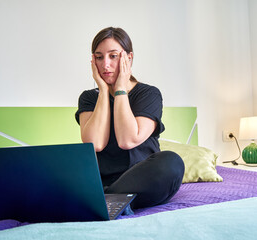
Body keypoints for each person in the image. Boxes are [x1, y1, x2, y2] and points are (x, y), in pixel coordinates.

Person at [75, 27, 184, 209]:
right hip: (99, 181)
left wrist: (120, 89)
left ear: (129, 58)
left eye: (113, 56)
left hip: (142, 180)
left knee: (171, 162)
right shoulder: (88, 98)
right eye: (99, 57)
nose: (105, 65)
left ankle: (108, 200)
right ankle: (115, 201)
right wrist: (102, 91)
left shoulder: (149, 94)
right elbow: (95, 144)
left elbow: (128, 140)